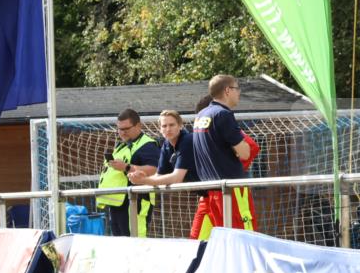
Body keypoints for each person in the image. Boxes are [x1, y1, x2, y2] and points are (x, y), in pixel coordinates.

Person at [192, 75, 258, 234]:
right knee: (243, 237)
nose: (239, 93)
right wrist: (241, 147)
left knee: (219, 238)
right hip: (231, 189)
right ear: (227, 90)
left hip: (210, 189)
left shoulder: (200, 116)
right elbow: (245, 152)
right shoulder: (223, 114)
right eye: (237, 88)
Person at [127, 110, 203, 238]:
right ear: (160, 129)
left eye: (172, 125)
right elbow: (159, 176)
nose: (168, 129)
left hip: (223, 191)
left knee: (233, 236)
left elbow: (177, 177)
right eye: (164, 126)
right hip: (207, 196)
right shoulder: (167, 145)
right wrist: (140, 178)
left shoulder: (187, 140)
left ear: (180, 125)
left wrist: (144, 181)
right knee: (197, 240)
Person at [96, 109, 159, 237]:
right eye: (119, 129)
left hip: (135, 202)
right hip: (117, 204)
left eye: (126, 129)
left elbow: (154, 170)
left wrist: (126, 167)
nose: (122, 133)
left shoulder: (147, 145)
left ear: (138, 126)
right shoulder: (122, 145)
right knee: (121, 245)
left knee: (136, 241)